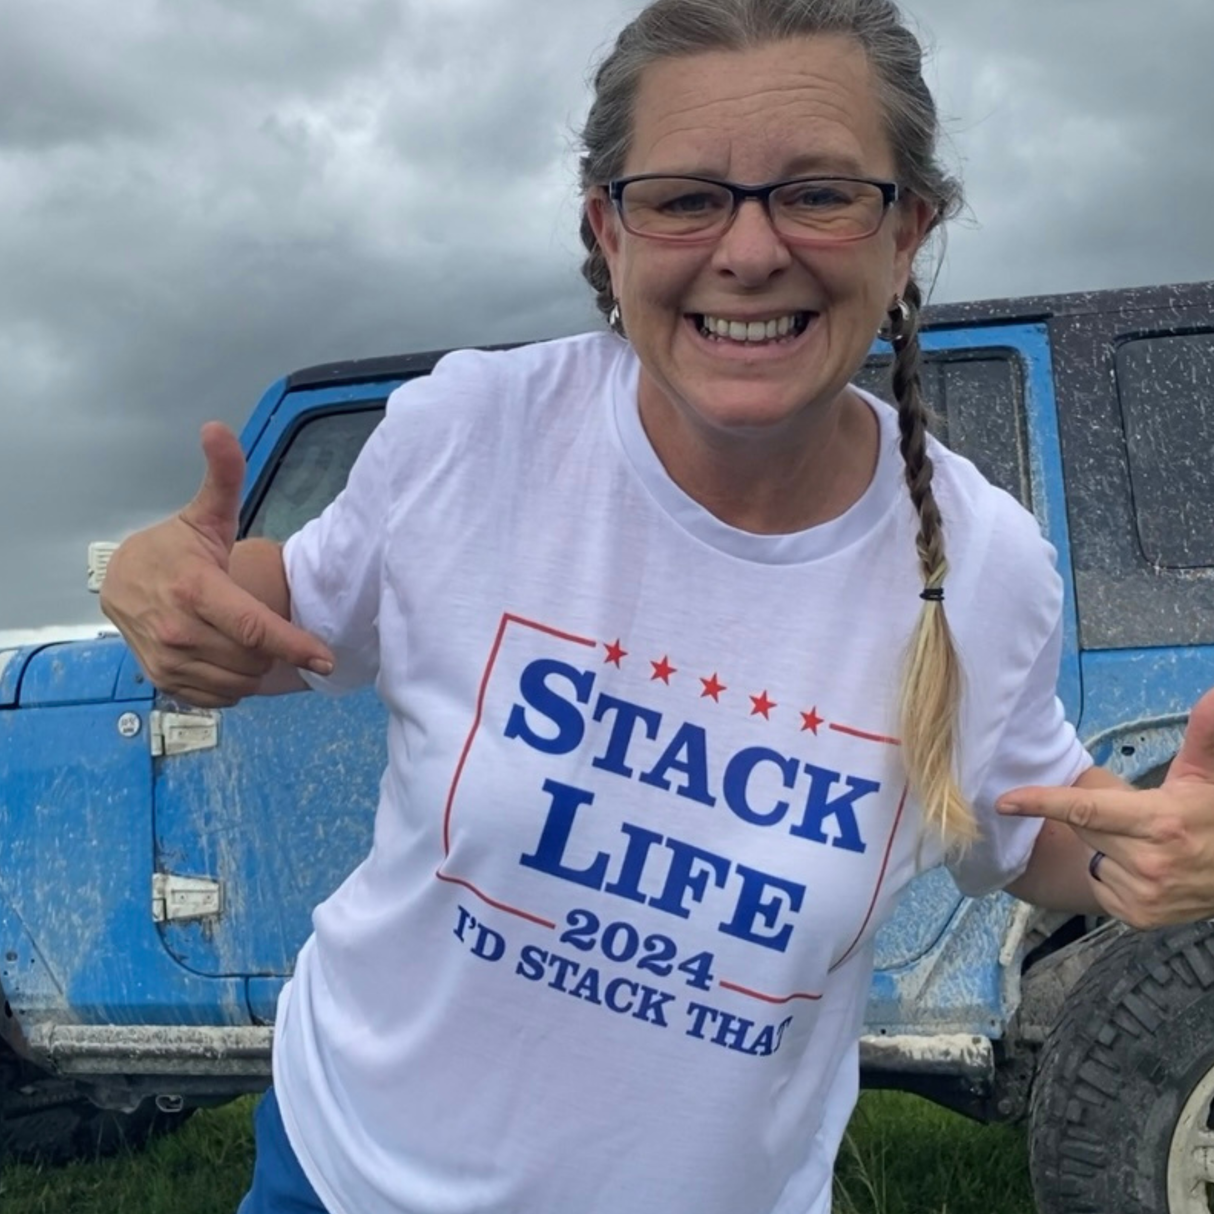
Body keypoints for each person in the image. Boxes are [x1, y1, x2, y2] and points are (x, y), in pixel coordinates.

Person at [99, 1, 1214, 1211]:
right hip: (348, 1172)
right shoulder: (473, 434)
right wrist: (156, 584)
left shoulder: (982, 558)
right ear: (606, 231)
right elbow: (270, 618)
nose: (746, 251)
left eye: (818, 193)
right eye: (685, 196)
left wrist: (1145, 851)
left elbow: (1027, 826)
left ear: (906, 237)